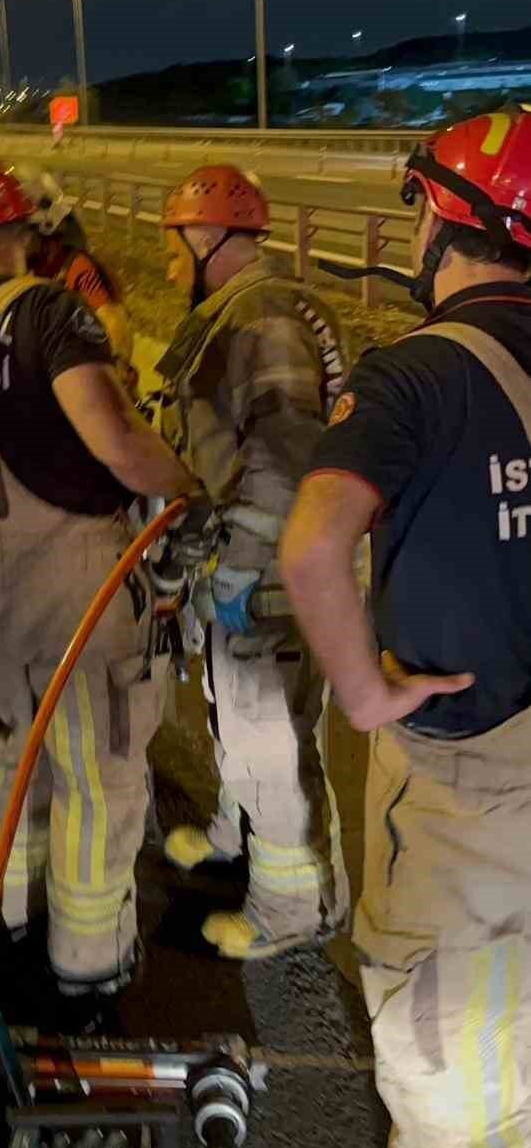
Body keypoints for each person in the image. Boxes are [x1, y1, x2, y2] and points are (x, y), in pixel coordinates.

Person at [281, 108, 531, 1148]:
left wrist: (369, 690)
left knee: (458, 1107)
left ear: (438, 216)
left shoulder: (419, 375)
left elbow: (315, 540)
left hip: (469, 797)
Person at [0, 141, 197, 1014]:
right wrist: (187, 485)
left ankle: (12, 924)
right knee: (98, 781)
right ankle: (87, 963)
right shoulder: (46, 313)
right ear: (17, 225)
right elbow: (116, 441)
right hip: (81, 576)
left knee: (24, 758)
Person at [157, 165, 350, 959]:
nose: (170, 259)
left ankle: (292, 908)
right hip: (249, 553)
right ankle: (236, 833)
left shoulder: (263, 318)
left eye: (175, 241)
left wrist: (238, 563)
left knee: (270, 734)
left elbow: (284, 451)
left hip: (269, 563)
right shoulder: (241, 311)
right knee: (234, 711)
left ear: (208, 237)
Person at [12, 165, 137, 385]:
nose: (14, 241)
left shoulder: (75, 266)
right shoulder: (21, 271)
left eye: (21, 233)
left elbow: (110, 315)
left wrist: (117, 366)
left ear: (45, 228)